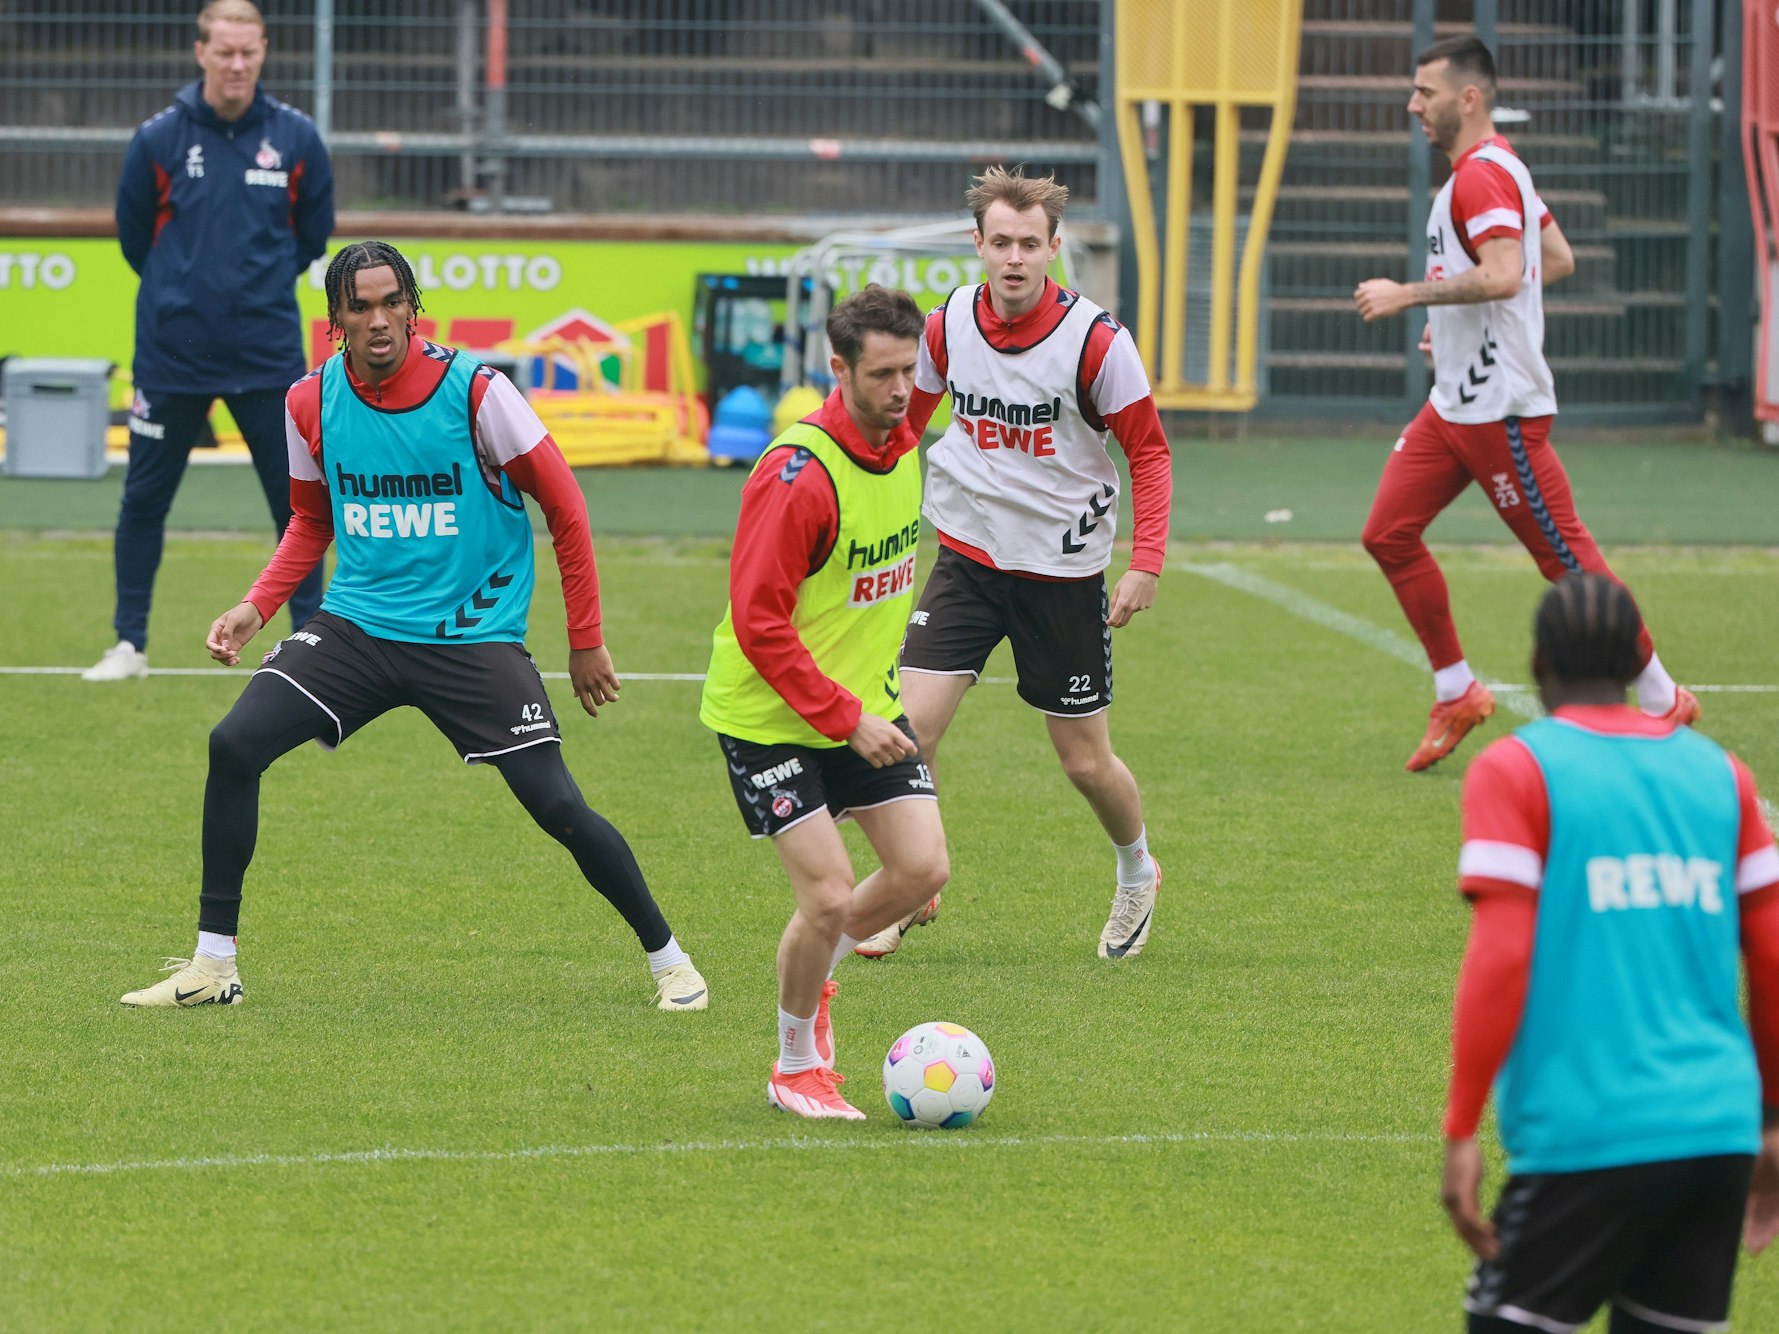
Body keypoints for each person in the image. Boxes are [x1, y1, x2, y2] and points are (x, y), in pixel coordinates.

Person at [120, 241, 709, 1013]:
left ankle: (672, 963)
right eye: (359, 306)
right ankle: (212, 966)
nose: (377, 320)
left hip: (471, 637)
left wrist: (585, 639)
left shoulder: (477, 392)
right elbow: (311, 520)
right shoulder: (308, 401)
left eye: (390, 302)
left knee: (557, 806)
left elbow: (564, 506)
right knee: (234, 745)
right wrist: (255, 606)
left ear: (413, 308)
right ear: (335, 321)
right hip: (357, 629)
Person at [1441, 573, 1779, 1332]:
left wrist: (1461, 1127)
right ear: (1634, 665)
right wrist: (1770, 1121)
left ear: (1538, 661)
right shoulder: (1722, 775)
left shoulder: (1517, 768)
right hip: (1717, 1134)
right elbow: (1771, 956)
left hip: (1588, 1132)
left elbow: (1501, 955)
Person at [1353, 34, 1697, 772]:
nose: (1413, 105)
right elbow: (1556, 259)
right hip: (1456, 405)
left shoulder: (1480, 177)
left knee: (1566, 559)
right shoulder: (1500, 166)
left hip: (1499, 411)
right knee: (1388, 534)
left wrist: (1408, 295)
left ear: (1468, 97)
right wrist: (1454, 328)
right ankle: (1457, 691)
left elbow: (1507, 273)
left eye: (1425, 92)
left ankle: (1663, 697)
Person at [885, 165, 1173, 961]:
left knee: (1083, 762)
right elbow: (903, 430)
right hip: (967, 560)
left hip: (1061, 576)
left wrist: (1145, 561)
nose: (1014, 257)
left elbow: (1149, 454)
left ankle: (1136, 869)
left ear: (1053, 248)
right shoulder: (945, 326)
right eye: (1001, 242)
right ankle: (914, 879)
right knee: (909, 731)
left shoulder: (1097, 343)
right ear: (977, 244)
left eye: (1029, 244)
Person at [700, 285, 950, 1119]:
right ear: (837, 370)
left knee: (921, 871)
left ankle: (817, 977)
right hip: (770, 718)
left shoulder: (905, 435)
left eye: (909, 371)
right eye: (880, 375)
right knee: (830, 897)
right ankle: (793, 1066)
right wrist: (845, 719)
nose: (899, 390)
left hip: (864, 708)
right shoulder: (797, 478)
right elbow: (757, 623)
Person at [86, 0, 331, 682]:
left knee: (299, 507)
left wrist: (252, 291)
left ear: (264, 51)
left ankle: (311, 650)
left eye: (248, 52)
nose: (237, 64)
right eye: (224, 52)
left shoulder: (296, 138)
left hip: (267, 357)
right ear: (201, 53)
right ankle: (129, 645)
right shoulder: (158, 138)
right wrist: (184, 290)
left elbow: (311, 237)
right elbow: (136, 239)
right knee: (143, 501)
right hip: (173, 356)